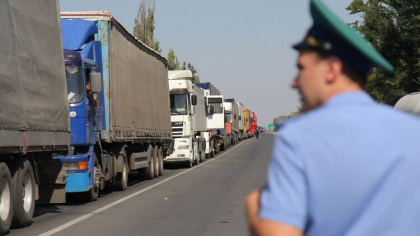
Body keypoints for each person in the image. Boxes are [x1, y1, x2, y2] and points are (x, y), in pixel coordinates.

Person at [246, 0, 420, 235]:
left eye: (302, 68)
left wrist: (254, 208)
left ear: (331, 69)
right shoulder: (413, 132)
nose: (294, 82)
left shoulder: (299, 138)